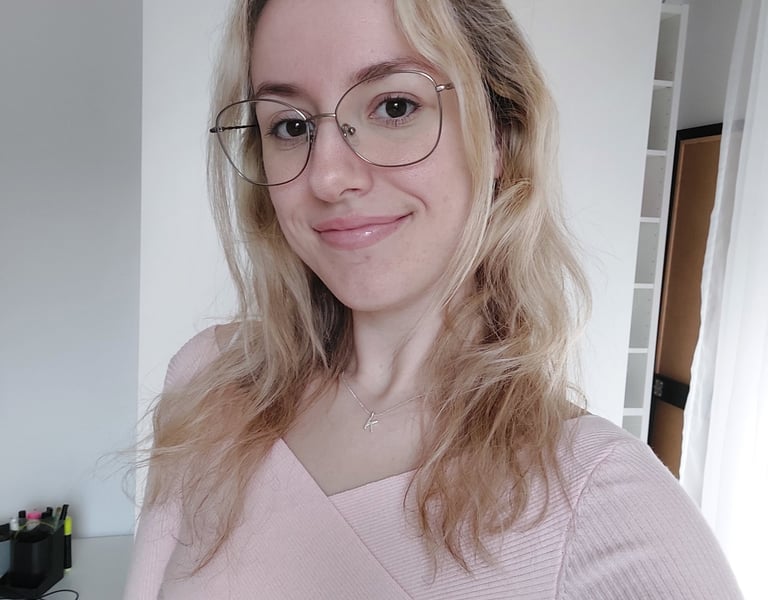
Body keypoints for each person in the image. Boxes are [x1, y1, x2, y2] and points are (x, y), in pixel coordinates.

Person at [124, 0, 743, 598]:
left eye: (394, 107)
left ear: (501, 136)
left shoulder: (600, 500)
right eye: (290, 126)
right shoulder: (207, 383)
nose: (328, 177)